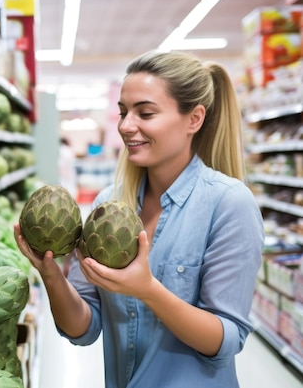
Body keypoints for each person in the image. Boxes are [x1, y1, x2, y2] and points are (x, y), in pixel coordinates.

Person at [14, 50, 264, 388]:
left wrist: (148, 290)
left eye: (144, 112)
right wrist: (50, 273)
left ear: (194, 119)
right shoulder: (109, 206)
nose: (125, 126)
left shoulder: (229, 204)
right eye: (122, 112)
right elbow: (83, 328)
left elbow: (225, 340)